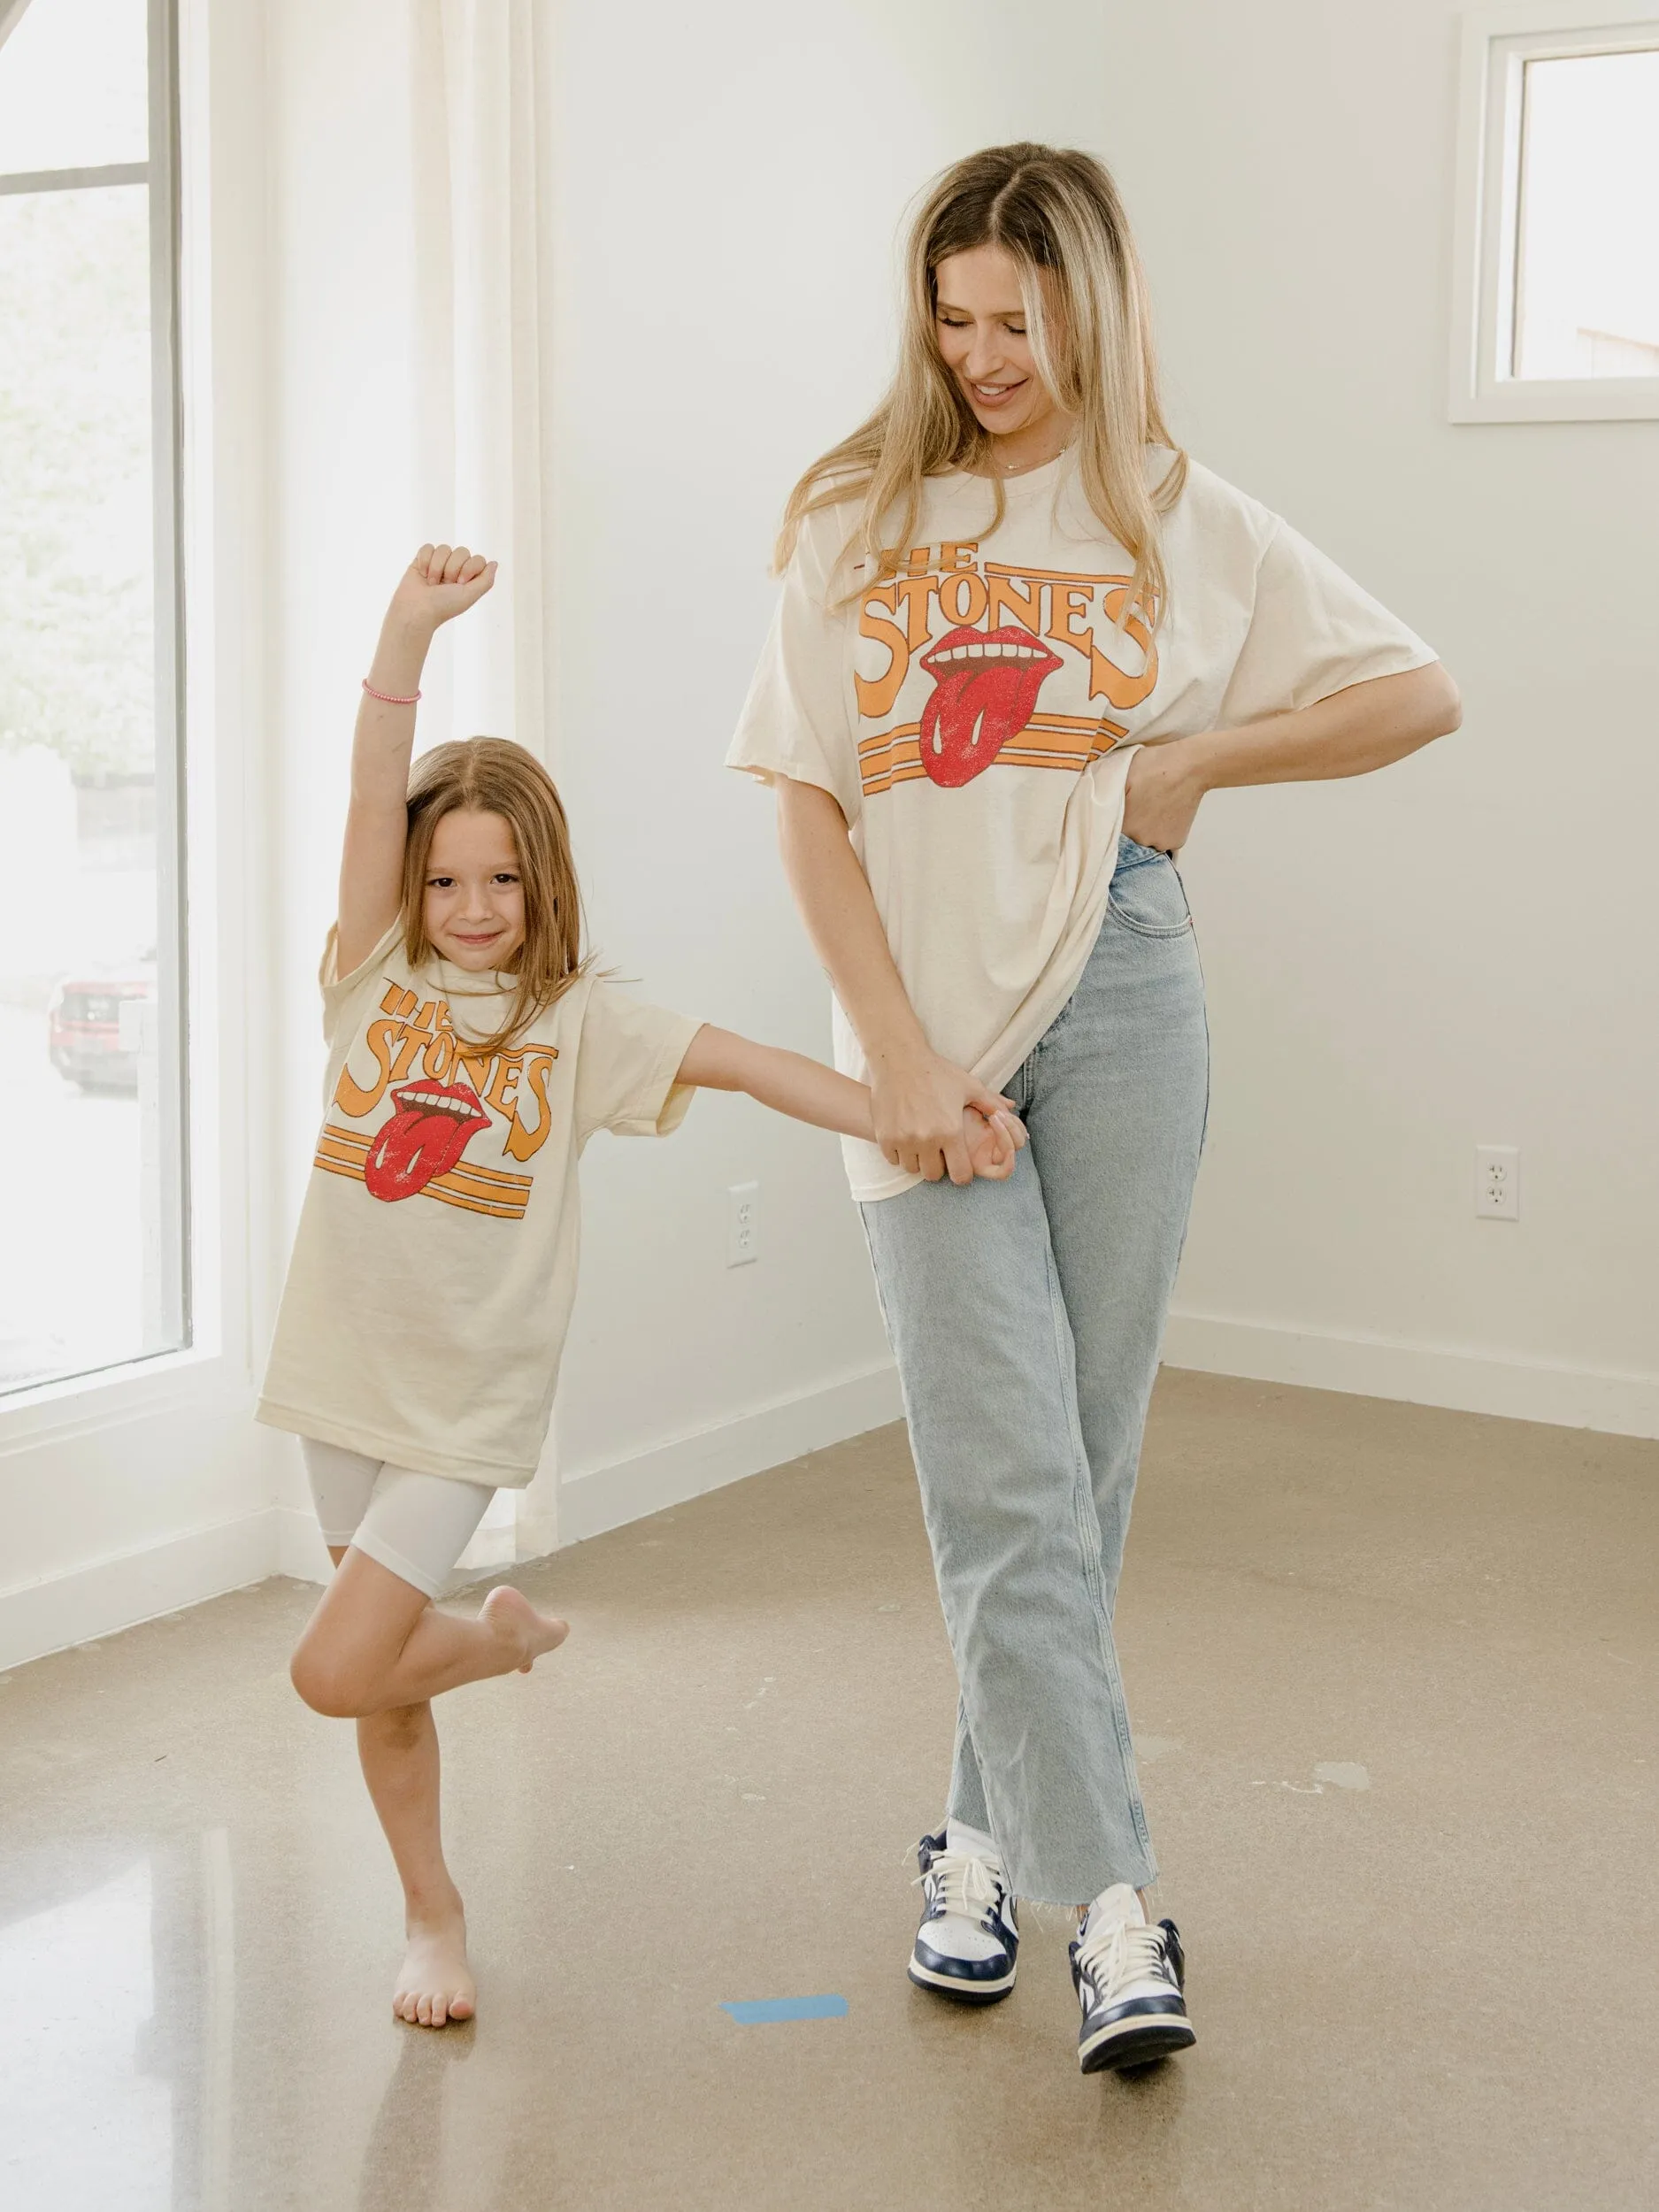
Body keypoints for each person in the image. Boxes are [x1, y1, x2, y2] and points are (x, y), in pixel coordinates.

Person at [727, 143, 1460, 2075]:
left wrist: (1196, 761)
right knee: (1005, 1477)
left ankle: (974, 1840)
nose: (981, 357)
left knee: (1074, 1464)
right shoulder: (846, 513)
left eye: (1018, 324)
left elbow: (1414, 691)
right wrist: (887, 1050)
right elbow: (804, 791)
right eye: (953, 319)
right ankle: (1114, 1901)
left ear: (1096, 314)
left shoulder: (1178, 520)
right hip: (918, 1029)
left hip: (1125, 994)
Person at [257, 544, 1022, 2029]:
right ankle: (432, 1909)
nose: (472, 906)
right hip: (338, 1375)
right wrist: (402, 636)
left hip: (463, 1407)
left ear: (544, 883)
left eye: (501, 879)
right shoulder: (370, 982)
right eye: (445, 879)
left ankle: (493, 1638)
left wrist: (911, 1108)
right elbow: (367, 795)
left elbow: (749, 1064)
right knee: (382, 1685)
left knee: (336, 1667)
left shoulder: (578, 1026)